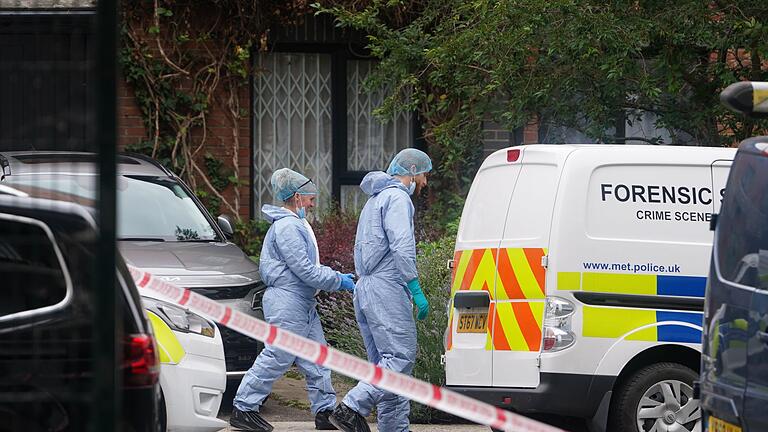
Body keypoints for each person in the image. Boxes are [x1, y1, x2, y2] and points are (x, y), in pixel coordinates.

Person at [231, 168, 356, 432]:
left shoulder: (295, 224)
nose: (313, 203)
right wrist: (338, 280)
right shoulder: (287, 227)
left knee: (318, 357)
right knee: (278, 354)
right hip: (288, 301)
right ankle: (243, 408)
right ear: (297, 197)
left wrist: (334, 278)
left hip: (301, 303)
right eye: (310, 198)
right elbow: (305, 270)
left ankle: (324, 412)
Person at [329, 149, 432, 432]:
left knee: (385, 364)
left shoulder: (375, 200)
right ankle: (351, 407)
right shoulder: (397, 198)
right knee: (400, 357)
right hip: (386, 287)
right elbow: (401, 246)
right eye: (423, 174)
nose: (424, 182)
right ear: (411, 170)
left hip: (366, 289)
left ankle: (394, 428)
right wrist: (415, 286)